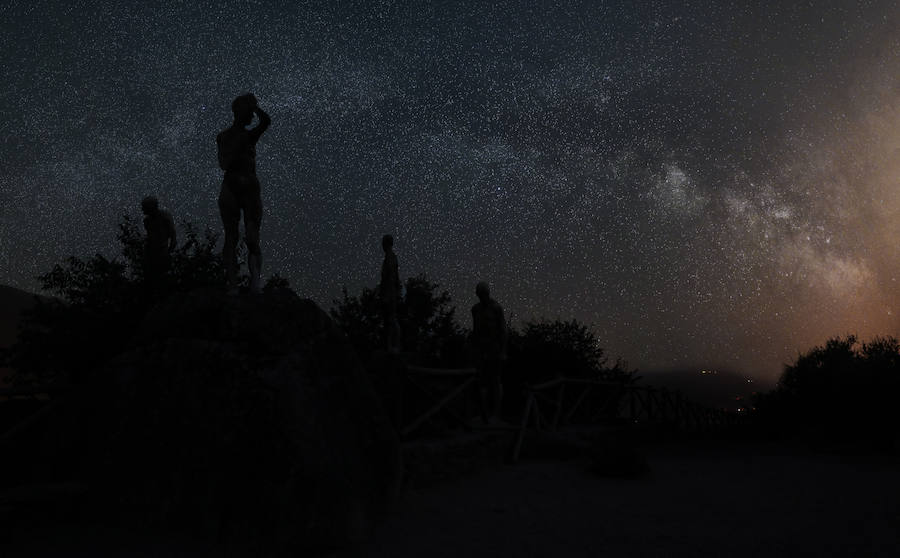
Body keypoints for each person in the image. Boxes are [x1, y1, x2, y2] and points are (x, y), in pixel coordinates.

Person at [216, 93, 271, 294]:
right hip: (231, 188)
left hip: (250, 190)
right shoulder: (225, 136)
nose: (251, 116)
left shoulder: (249, 135)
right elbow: (224, 163)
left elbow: (266, 121)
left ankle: (255, 281)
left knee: (251, 237)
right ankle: (232, 284)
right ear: (241, 111)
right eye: (248, 111)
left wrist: (254, 106)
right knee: (231, 236)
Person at [471, 281, 507, 423]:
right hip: (481, 349)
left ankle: (496, 414)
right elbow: (475, 330)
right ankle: (483, 414)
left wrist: (503, 351)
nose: (482, 297)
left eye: (484, 294)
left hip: (494, 348)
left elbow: (503, 330)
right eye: (480, 294)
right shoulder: (475, 309)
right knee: (481, 382)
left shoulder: (496, 308)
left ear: (488, 293)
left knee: (496, 381)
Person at [141, 195, 177, 283]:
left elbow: (172, 234)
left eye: (144, 207)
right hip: (151, 253)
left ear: (151, 207)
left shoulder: (165, 216)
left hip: (162, 251)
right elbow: (150, 238)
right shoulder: (147, 221)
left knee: (163, 277)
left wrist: (169, 250)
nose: (142, 210)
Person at [379, 234, 402, 353]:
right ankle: (393, 345)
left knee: (390, 319)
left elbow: (387, 276)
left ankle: (392, 346)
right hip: (392, 291)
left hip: (389, 292)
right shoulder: (394, 257)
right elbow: (396, 277)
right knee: (391, 318)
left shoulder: (389, 257)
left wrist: (384, 293)